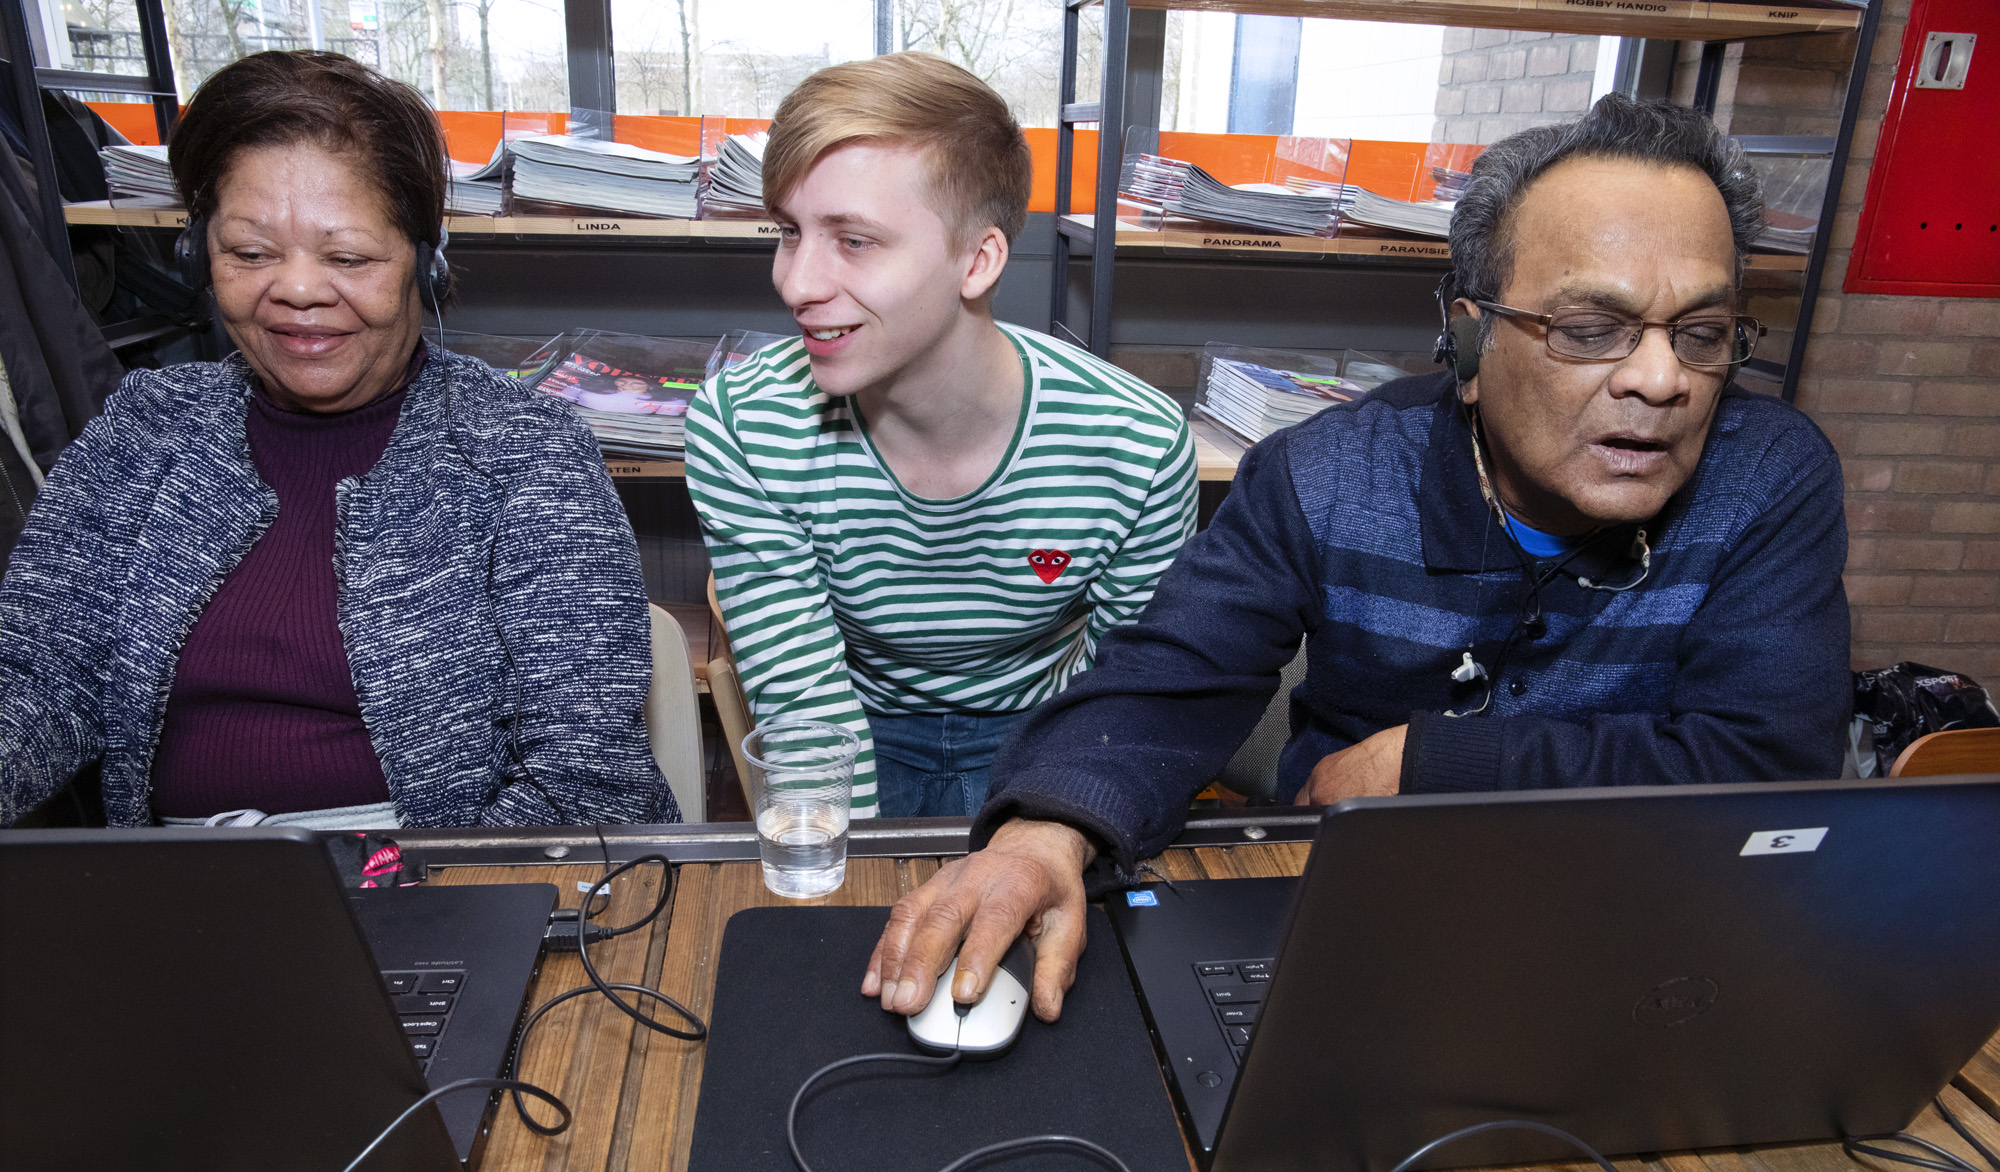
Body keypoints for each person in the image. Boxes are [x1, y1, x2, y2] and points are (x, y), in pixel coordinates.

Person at [863, 94, 1852, 1023]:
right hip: (1359, 928)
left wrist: (1429, 762)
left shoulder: (1765, 477)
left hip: (1647, 928)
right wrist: (1047, 827)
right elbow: (1166, 677)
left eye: (1702, 333)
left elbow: (1768, 767)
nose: (1658, 378)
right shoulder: (1325, 473)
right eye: (1589, 330)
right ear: (1465, 342)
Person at [0, 51, 678, 829]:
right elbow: (39, 676)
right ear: (199, 256)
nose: (295, 290)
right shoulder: (145, 427)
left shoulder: (527, 451)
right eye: (249, 254)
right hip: (178, 892)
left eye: (347, 257)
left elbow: (587, 779)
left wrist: (395, 903)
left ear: (425, 264)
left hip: (436, 890)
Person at [685, 52, 1197, 820]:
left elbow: (1115, 709)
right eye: (790, 232)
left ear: (978, 259)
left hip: (1047, 736)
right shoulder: (742, 426)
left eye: (853, 240)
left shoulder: (1139, 446)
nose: (796, 284)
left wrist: (1051, 836)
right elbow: (806, 711)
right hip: (855, 732)